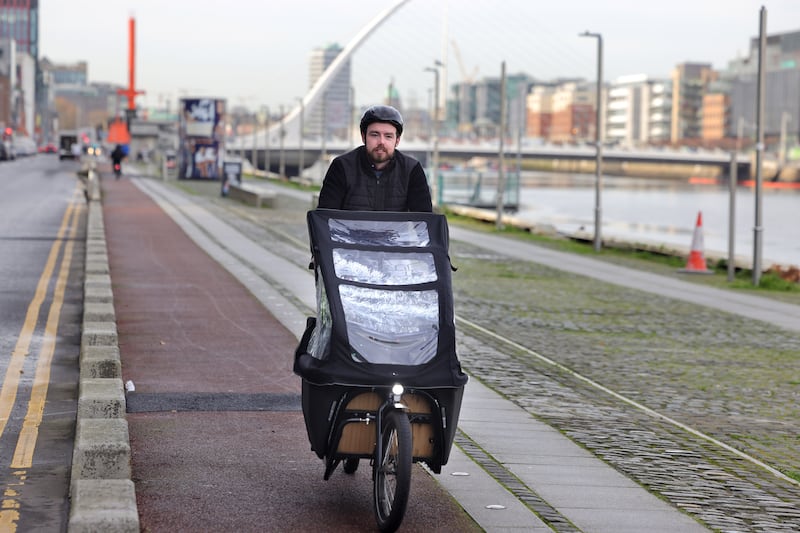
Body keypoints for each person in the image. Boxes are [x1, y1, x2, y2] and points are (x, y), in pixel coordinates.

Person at [317, 105, 432, 212]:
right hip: (350, 234)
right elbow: (325, 218)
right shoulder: (342, 166)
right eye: (374, 135)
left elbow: (424, 222)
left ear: (397, 140)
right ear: (363, 137)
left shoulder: (411, 169)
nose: (381, 141)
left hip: (394, 235)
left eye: (388, 136)